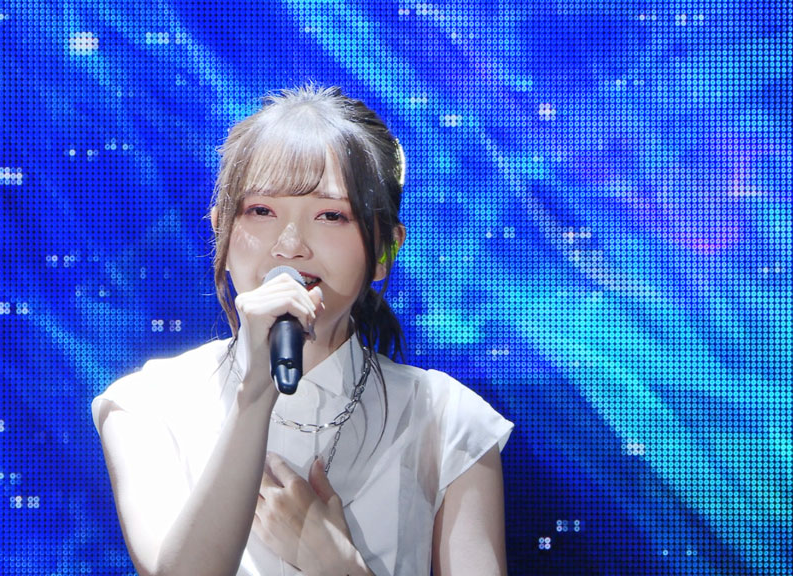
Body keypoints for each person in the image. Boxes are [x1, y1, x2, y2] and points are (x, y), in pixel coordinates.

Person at [92, 85, 513, 576]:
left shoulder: (450, 421)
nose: (290, 245)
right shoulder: (149, 405)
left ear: (384, 250)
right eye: (261, 211)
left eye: (331, 215)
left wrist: (336, 563)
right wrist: (256, 392)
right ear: (221, 231)